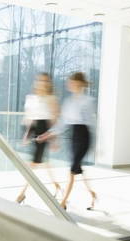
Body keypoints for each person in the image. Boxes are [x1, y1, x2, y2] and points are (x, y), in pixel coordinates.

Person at [37, 72, 97, 210]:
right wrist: (47, 135)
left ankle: (62, 203)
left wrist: (94, 145)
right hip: (73, 136)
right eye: (69, 82)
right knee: (76, 168)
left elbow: (92, 124)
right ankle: (93, 195)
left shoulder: (89, 101)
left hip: (84, 137)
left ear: (79, 83)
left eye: (72, 82)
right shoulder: (68, 102)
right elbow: (62, 123)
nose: (69, 84)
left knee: (72, 170)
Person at [16, 72, 62, 204]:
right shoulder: (30, 97)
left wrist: (54, 139)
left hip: (44, 131)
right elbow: (29, 117)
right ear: (36, 82)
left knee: (34, 164)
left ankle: (22, 193)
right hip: (33, 129)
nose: (43, 83)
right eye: (41, 80)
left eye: (46, 81)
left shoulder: (52, 98)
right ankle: (56, 186)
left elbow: (54, 120)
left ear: (49, 83)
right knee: (43, 163)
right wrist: (26, 134)